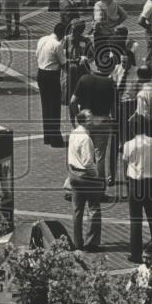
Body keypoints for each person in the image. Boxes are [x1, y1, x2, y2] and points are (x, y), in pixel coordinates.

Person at [124, 117, 152, 262]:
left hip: (135, 183)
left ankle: (135, 254)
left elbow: (125, 162)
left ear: (132, 129)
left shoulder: (129, 144)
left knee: (135, 220)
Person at [67, 109, 103, 252]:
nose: (92, 121)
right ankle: (91, 243)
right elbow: (88, 162)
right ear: (84, 121)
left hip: (74, 174)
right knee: (94, 208)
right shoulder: (86, 138)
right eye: (90, 119)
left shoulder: (74, 133)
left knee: (77, 210)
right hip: (85, 176)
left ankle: (77, 242)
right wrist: (97, 175)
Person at [36, 21, 67, 147]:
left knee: (46, 105)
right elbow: (64, 63)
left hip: (41, 73)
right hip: (52, 76)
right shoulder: (58, 45)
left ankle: (47, 136)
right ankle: (55, 139)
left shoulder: (43, 39)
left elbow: (36, 55)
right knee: (54, 107)